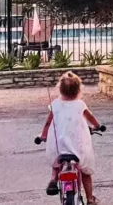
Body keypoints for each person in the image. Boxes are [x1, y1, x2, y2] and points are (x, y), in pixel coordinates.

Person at [40, 71, 100, 204]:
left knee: (56, 161)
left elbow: (48, 123)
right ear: (78, 90)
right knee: (85, 172)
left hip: (60, 146)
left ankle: (53, 179)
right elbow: (90, 117)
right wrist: (97, 126)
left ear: (60, 90)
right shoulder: (80, 104)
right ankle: (90, 199)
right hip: (77, 148)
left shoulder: (55, 104)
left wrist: (43, 135)